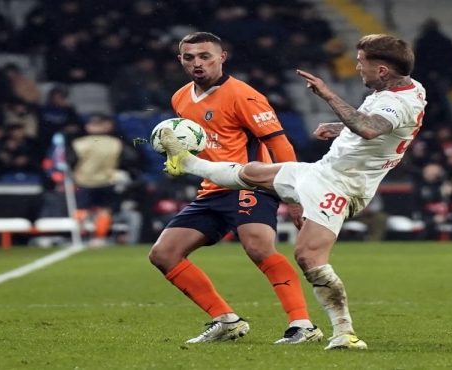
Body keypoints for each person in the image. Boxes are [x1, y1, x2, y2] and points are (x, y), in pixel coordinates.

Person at [160, 34, 426, 350]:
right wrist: (340, 128)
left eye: (361, 62)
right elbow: (382, 128)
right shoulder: (406, 88)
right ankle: (187, 162)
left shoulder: (396, 101)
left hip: (343, 186)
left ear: (382, 70)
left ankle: (339, 332)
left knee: (304, 255)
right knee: (252, 172)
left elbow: (370, 127)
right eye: (189, 57)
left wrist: (328, 95)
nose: (356, 67)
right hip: (321, 172)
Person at [147, 32, 322, 345]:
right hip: (212, 188)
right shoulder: (180, 98)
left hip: (251, 182)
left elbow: (278, 143)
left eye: (205, 56)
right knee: (164, 254)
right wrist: (179, 159)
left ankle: (303, 325)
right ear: (180, 61)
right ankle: (226, 321)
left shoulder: (244, 95)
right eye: (190, 57)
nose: (197, 63)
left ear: (221, 57)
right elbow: (196, 144)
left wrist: (294, 196)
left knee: (257, 246)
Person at [69, 115, 139, 247]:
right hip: (107, 181)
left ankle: (79, 236)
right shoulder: (115, 143)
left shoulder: (79, 143)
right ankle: (98, 239)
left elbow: (70, 161)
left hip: (84, 181)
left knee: (81, 209)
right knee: (105, 211)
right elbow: (130, 159)